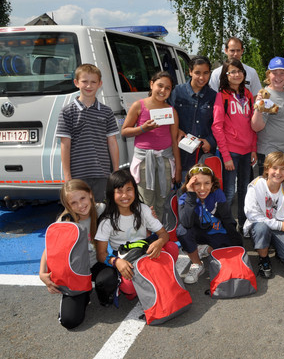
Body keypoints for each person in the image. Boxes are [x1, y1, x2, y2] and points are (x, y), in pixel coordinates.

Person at [39, 180, 115, 329]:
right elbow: (49, 249)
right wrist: (42, 273)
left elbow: (126, 214)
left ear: (90, 195)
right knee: (70, 321)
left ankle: (104, 296)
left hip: (95, 264)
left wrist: (146, 215)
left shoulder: (101, 209)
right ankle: (83, 293)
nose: (80, 205)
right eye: (73, 203)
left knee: (109, 279)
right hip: (75, 272)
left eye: (82, 198)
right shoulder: (65, 221)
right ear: (67, 205)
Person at [94, 170, 179, 300]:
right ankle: (151, 278)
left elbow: (163, 234)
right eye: (119, 191)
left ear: (135, 190)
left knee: (172, 248)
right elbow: (101, 255)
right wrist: (116, 262)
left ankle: (156, 276)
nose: (125, 195)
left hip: (145, 251)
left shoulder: (143, 209)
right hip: (126, 257)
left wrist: (159, 242)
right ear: (111, 193)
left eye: (129, 189)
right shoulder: (107, 221)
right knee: (128, 288)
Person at [121, 71, 181, 221]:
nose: (163, 90)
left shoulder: (171, 111)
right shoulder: (139, 106)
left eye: (167, 88)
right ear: (151, 84)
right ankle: (146, 235)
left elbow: (174, 140)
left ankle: (159, 232)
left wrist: (178, 168)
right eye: (160, 85)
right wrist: (142, 129)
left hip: (165, 161)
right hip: (144, 162)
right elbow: (125, 131)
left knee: (163, 200)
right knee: (146, 202)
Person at [56, 63, 120, 202]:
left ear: (100, 84)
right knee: (80, 212)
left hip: (102, 174)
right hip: (77, 175)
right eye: (84, 81)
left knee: (102, 212)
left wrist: (115, 171)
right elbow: (65, 145)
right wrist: (67, 177)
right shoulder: (67, 111)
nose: (89, 86)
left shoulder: (106, 111)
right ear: (76, 83)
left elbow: (112, 142)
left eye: (93, 82)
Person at [177, 164, 243, 284]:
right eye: (197, 184)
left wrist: (238, 245)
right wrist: (191, 195)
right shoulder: (184, 196)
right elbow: (186, 223)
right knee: (182, 231)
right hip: (196, 232)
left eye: (207, 183)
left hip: (213, 231)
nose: (202, 188)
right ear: (190, 184)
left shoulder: (217, 194)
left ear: (212, 183)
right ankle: (197, 264)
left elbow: (228, 219)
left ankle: (204, 249)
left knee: (225, 254)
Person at [243, 152, 284, 278]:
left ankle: (277, 247)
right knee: (261, 227)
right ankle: (264, 259)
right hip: (262, 226)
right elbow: (251, 214)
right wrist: (278, 225)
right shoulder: (255, 186)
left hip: (279, 228)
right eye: (275, 168)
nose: (278, 172)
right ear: (267, 168)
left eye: (283, 169)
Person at [212, 59, 257, 231]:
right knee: (229, 192)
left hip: (247, 152)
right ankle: (225, 225)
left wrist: (253, 148)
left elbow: (253, 124)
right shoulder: (221, 96)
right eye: (232, 72)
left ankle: (242, 224)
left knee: (245, 191)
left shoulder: (248, 95)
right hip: (230, 152)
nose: (236, 74)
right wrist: (226, 156)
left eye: (239, 71)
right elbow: (217, 127)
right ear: (226, 75)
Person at [170, 55, 218, 173]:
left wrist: (210, 141)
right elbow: (167, 117)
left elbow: (219, 124)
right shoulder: (176, 92)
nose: (202, 77)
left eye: (206, 73)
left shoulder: (214, 96)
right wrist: (176, 130)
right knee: (182, 189)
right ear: (190, 72)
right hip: (180, 155)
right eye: (197, 73)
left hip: (203, 155)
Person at [251, 57, 284, 175]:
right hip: (270, 154)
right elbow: (256, 127)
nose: (278, 77)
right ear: (268, 75)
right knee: (268, 190)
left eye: (282, 73)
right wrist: (258, 109)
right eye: (274, 73)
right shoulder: (266, 96)